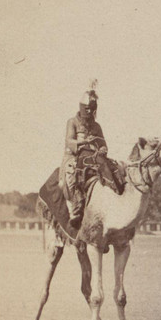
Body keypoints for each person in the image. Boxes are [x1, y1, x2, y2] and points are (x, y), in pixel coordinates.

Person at [61, 80, 107, 227]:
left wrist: (102, 149)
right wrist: (84, 142)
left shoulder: (97, 126)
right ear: (81, 107)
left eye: (91, 109)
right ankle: (73, 209)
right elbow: (69, 141)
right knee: (70, 176)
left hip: (93, 159)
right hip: (73, 157)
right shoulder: (72, 122)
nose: (89, 111)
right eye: (86, 108)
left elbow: (103, 144)